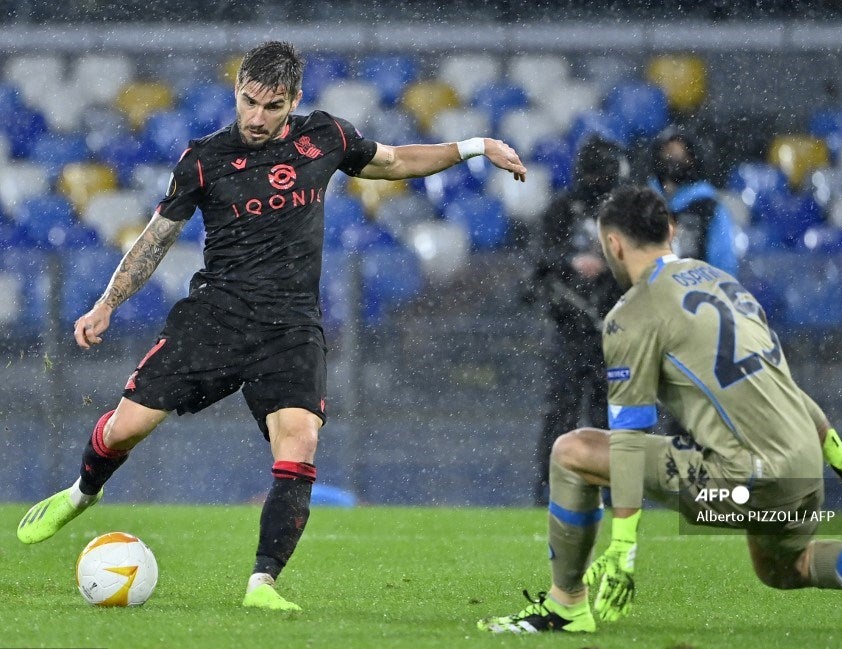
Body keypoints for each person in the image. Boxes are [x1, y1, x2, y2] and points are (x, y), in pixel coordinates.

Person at [16, 41, 527, 611]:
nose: (257, 117)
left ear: (294, 100)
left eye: (273, 106)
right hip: (216, 318)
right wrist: (107, 303)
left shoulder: (325, 137)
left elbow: (394, 162)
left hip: (290, 327)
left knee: (300, 441)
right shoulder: (204, 159)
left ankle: (262, 585)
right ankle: (82, 493)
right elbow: (156, 239)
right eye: (249, 101)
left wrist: (476, 146)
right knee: (124, 431)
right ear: (237, 91)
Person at [479, 185, 842, 639]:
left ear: (613, 244)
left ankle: (565, 607)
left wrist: (623, 547)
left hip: (737, 486)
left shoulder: (630, 315)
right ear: (671, 232)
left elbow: (627, 444)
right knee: (787, 566)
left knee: (572, 451)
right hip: (801, 472)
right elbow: (785, 389)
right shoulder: (725, 285)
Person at [525, 135, 627, 506]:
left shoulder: (623, 212)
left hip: (610, 327)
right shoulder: (563, 208)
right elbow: (539, 259)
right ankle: (551, 488)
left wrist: (607, 267)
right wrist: (570, 261)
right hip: (569, 327)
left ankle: (608, 489)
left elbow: (640, 261)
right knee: (562, 413)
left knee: (606, 415)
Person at [648, 125, 738, 275]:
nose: (672, 160)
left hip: (697, 284)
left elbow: (723, 258)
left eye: (680, 154)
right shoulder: (646, 201)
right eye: (668, 152)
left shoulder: (707, 205)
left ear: (692, 158)